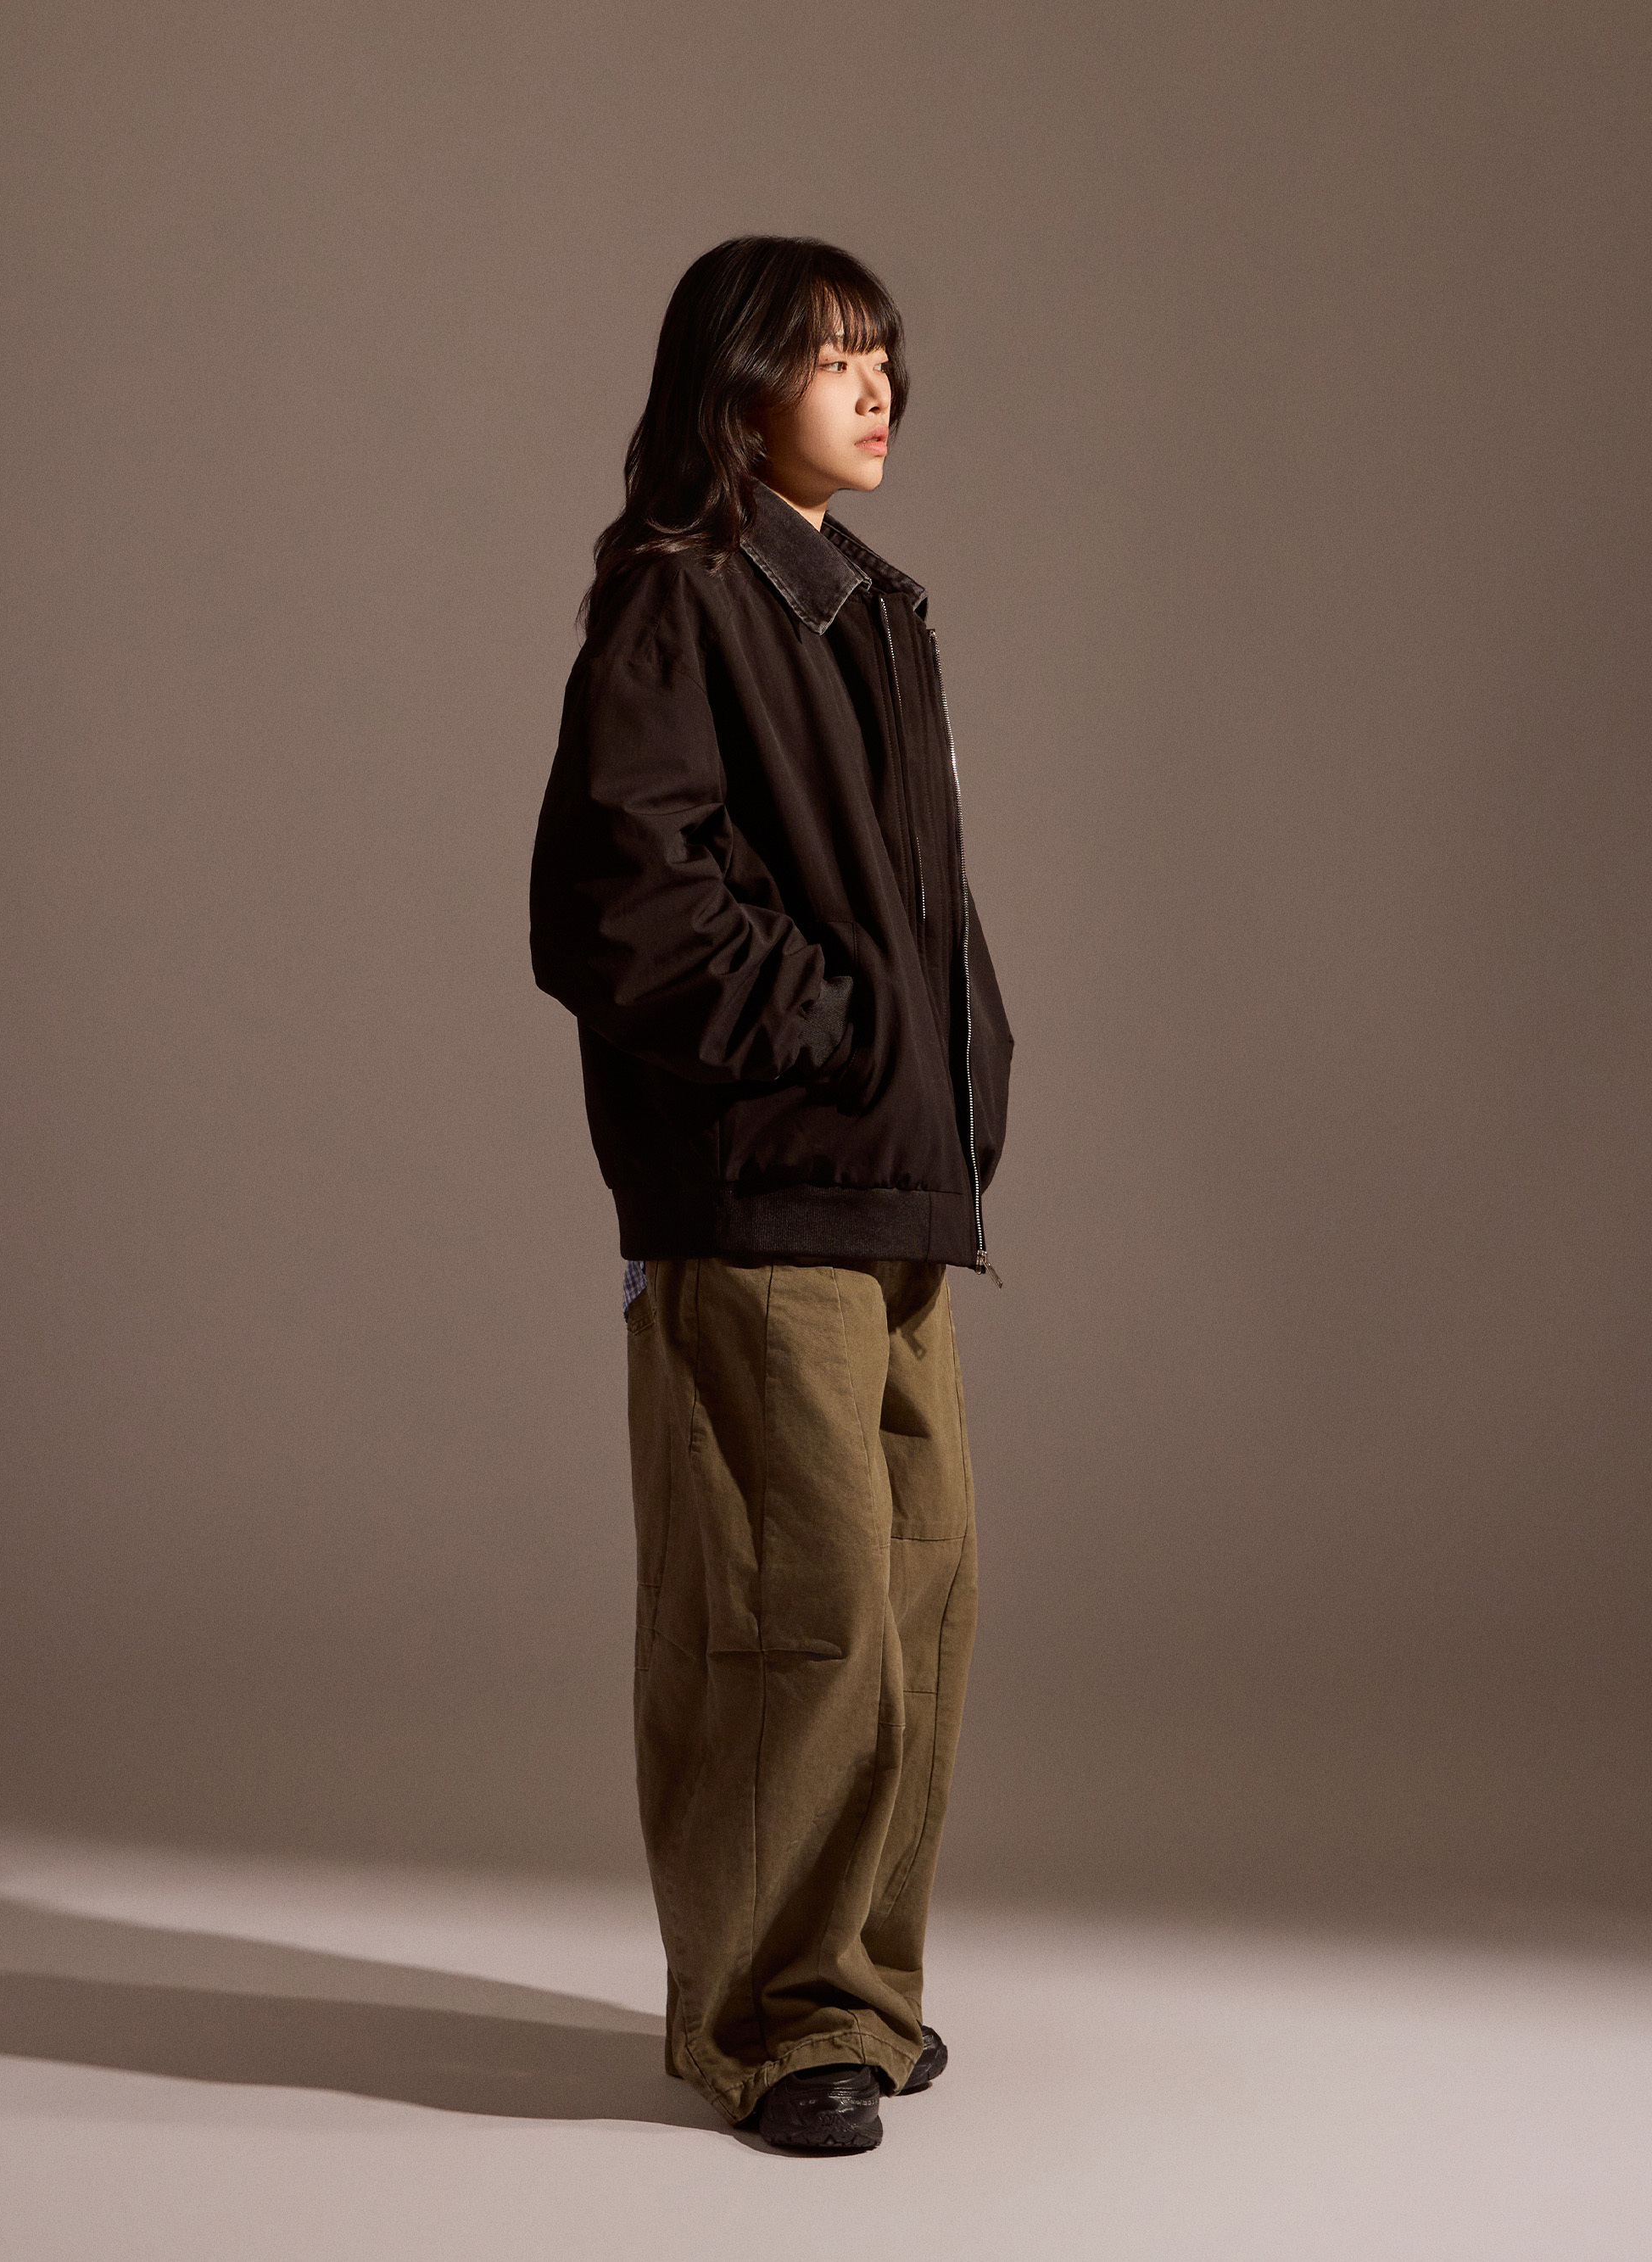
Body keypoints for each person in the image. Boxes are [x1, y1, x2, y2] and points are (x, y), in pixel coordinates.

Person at [529, 235, 1014, 2153]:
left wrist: (955, 1061)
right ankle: (765, 2020)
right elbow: (619, 907)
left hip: (889, 1185)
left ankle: (857, 1989)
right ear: (736, 389)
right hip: (757, 1190)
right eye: (830, 357)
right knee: (783, 1613)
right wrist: (837, 1029)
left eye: (884, 351)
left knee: (914, 1599)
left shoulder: (869, 605)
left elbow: (909, 906)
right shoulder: (683, 599)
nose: (876, 386)